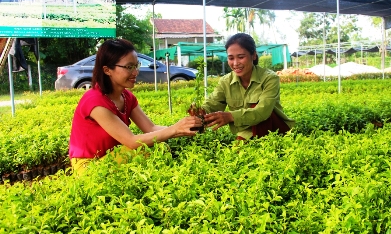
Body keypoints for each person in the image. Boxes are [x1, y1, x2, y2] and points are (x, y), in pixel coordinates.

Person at [69, 39, 203, 174]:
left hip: (111, 157)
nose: (135, 72)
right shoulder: (95, 101)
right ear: (107, 70)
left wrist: (186, 128)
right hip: (88, 166)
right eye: (129, 67)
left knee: (160, 147)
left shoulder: (126, 97)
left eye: (136, 66)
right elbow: (131, 141)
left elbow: (150, 128)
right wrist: (174, 129)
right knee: (144, 150)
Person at [202, 33, 295, 141]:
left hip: (274, 128)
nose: (235, 63)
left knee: (238, 152)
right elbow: (212, 104)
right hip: (245, 131)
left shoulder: (269, 78)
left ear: (253, 55)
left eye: (241, 57)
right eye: (231, 58)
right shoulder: (225, 81)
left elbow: (262, 112)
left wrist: (230, 116)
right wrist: (199, 113)